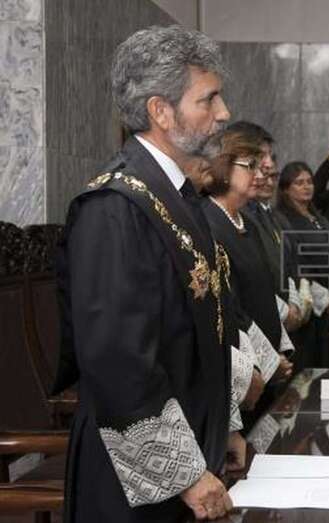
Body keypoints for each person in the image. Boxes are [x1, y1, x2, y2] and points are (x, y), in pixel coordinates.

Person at [53, 25, 252, 521]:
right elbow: (118, 360)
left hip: (192, 452)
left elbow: (211, 324)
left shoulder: (178, 196)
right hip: (134, 482)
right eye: (208, 100)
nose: (223, 113)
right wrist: (184, 475)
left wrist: (222, 425)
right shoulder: (113, 208)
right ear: (161, 111)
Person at [200, 129, 296, 402]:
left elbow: (263, 293)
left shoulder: (248, 223)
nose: (261, 173)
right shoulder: (208, 222)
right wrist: (266, 360)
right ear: (224, 168)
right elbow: (229, 307)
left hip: (268, 362)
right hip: (241, 369)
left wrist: (279, 350)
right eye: (251, 165)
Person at [227, 121, 304, 332]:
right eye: (261, 156)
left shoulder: (260, 213)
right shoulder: (233, 213)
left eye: (271, 156)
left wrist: (293, 306)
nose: (269, 164)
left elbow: (285, 267)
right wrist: (284, 312)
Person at [277, 161, 329, 368]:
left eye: (309, 181)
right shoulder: (284, 220)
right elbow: (298, 266)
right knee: (309, 371)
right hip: (309, 311)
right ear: (285, 189)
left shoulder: (319, 218)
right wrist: (325, 300)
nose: (307, 186)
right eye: (299, 183)